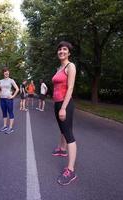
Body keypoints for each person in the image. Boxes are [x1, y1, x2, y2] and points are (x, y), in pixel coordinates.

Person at [52, 41, 77, 185]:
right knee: (62, 129)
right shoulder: (59, 67)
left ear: (69, 53)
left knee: (69, 134)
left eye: (64, 49)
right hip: (57, 103)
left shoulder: (70, 66)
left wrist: (63, 107)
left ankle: (71, 170)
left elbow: (70, 88)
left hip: (65, 104)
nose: (61, 51)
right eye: (60, 49)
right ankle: (62, 149)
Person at [0, 67, 19, 134]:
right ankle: (5, 126)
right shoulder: (0, 81)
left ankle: (10, 128)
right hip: (2, 99)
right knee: (4, 112)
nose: (6, 72)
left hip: (8, 99)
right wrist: (0, 94)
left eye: (7, 71)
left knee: (10, 112)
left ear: (9, 72)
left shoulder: (11, 80)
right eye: (5, 71)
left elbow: (17, 89)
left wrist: (12, 96)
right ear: (3, 73)